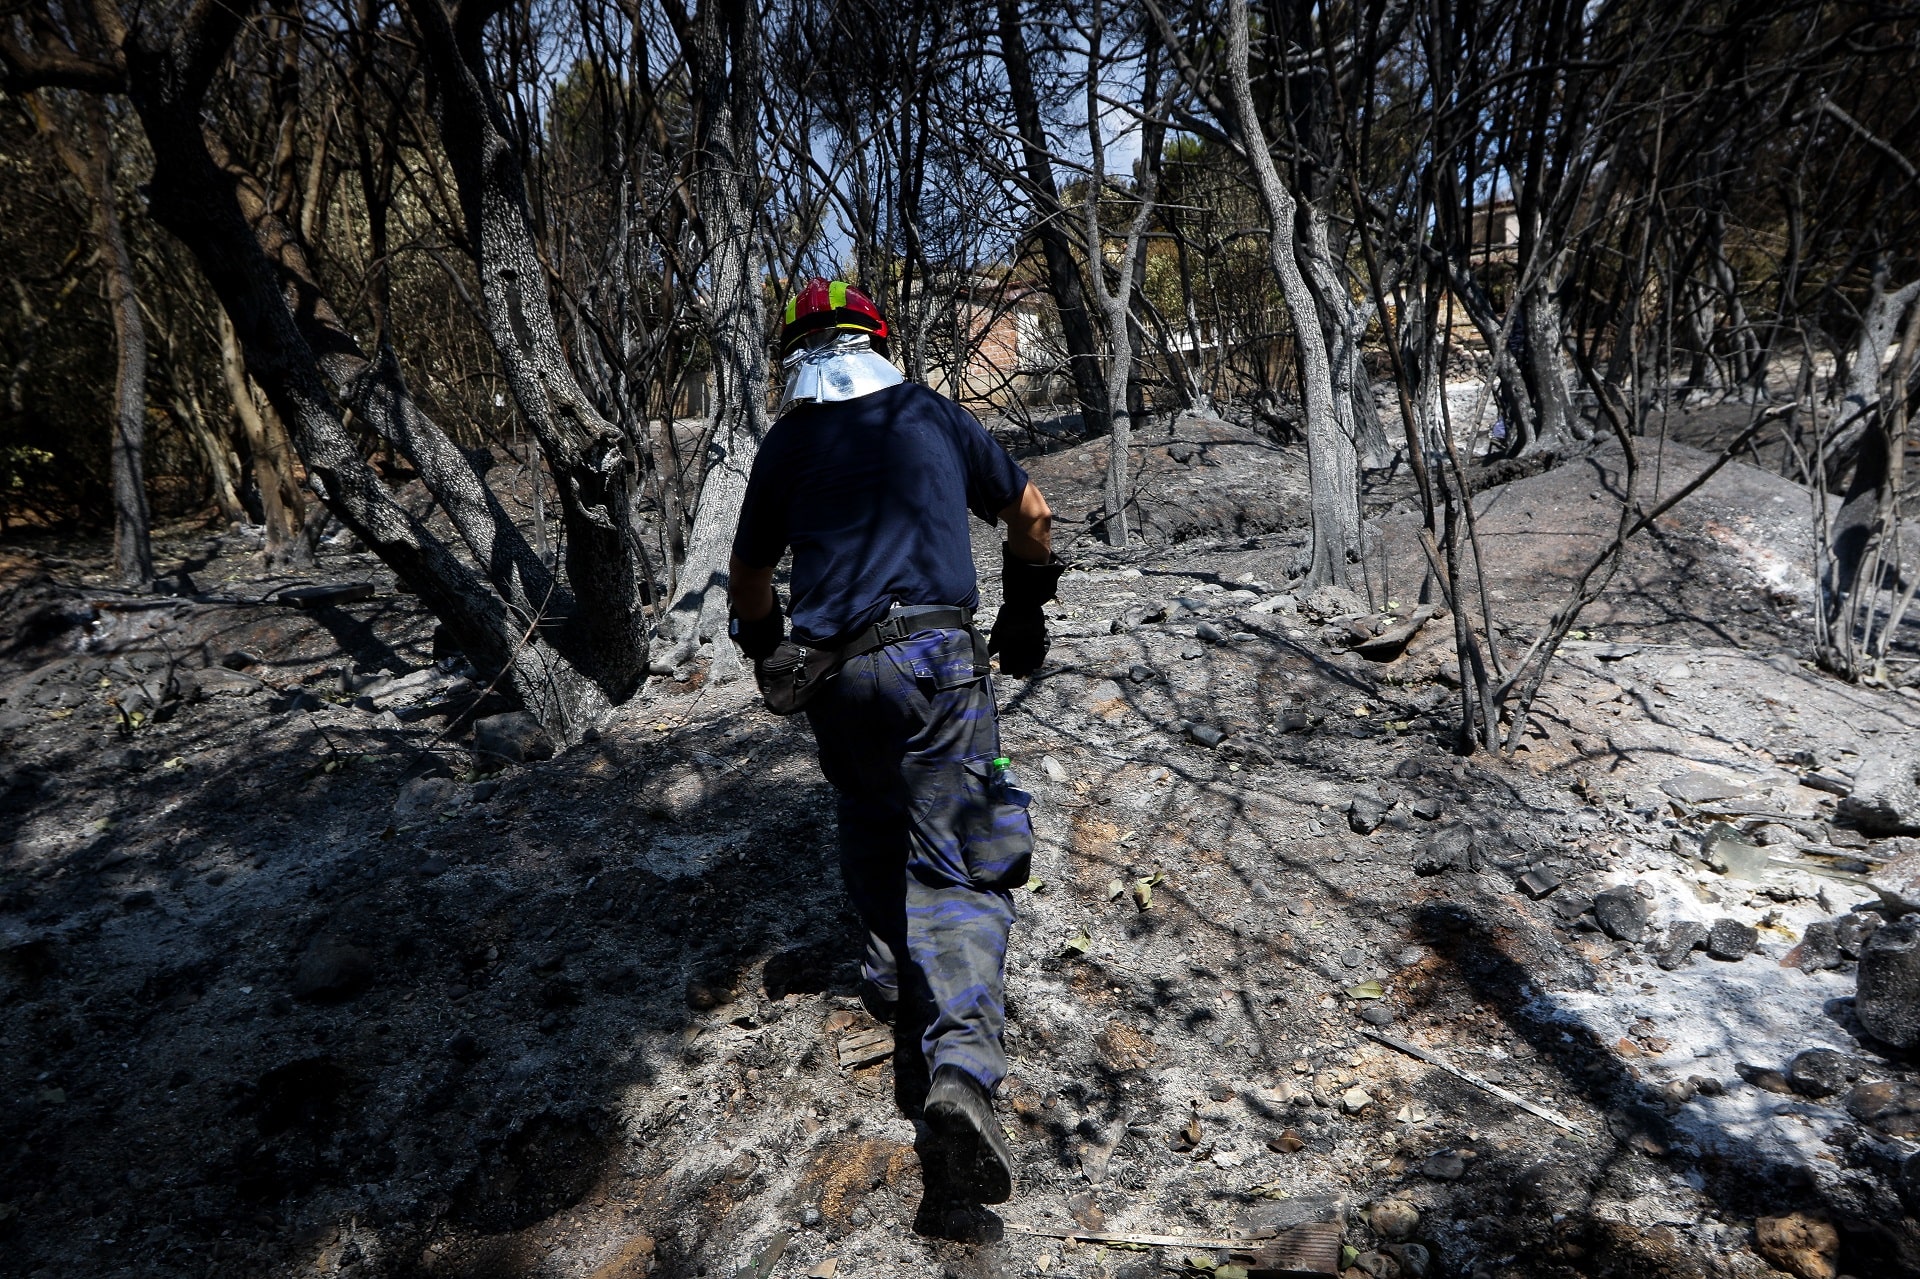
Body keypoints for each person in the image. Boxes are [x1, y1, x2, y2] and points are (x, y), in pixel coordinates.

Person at [726, 278, 1061, 1204]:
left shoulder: (787, 441)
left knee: (872, 814)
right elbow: (1031, 515)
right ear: (880, 338)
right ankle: (958, 1074)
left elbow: (749, 580)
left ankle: (891, 982)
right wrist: (1027, 608)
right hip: (938, 663)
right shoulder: (932, 413)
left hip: (839, 677)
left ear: (797, 355)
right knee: (961, 865)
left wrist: (765, 648)